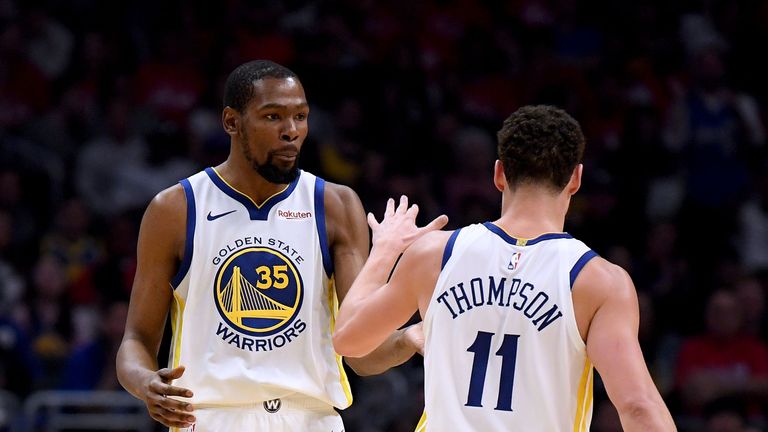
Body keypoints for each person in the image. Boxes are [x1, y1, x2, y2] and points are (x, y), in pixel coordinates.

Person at [116, 60, 422, 431]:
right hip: (210, 417)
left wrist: (409, 338)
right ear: (232, 122)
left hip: (310, 419)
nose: (291, 131)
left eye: (300, 116)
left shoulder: (335, 205)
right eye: (273, 117)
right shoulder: (176, 209)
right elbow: (136, 339)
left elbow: (361, 352)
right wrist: (144, 381)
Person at [334, 105, 677, 431]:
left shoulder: (435, 254)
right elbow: (637, 406)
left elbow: (349, 340)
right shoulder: (598, 281)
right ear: (575, 178)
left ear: (499, 173)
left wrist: (385, 250)